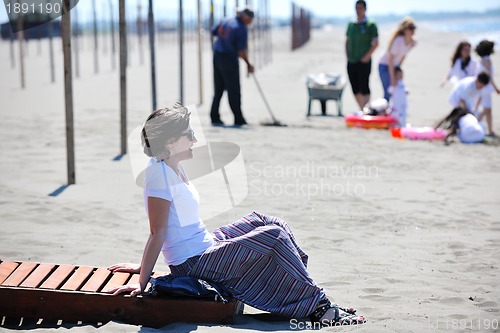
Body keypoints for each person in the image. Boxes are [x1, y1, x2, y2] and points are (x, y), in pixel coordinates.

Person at [106, 103, 366, 327]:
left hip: (205, 244)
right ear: (172, 143)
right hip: (193, 261)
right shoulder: (159, 175)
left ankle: (310, 294)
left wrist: (143, 266)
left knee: (268, 222)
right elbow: (157, 231)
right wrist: (142, 280)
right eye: (189, 134)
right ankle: (320, 307)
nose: (195, 139)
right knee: (272, 237)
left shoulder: (174, 166)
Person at [209, 7, 255, 127]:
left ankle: (214, 116)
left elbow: (213, 32)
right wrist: (248, 64)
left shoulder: (225, 20)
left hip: (217, 56)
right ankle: (238, 118)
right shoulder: (240, 28)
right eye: (250, 19)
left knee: (218, 89)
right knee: (234, 90)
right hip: (229, 59)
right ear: (245, 17)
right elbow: (241, 51)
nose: (251, 22)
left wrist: (222, 41)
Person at [345, 0, 379, 109]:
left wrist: (367, 56)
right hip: (352, 60)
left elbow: (376, 43)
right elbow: (347, 40)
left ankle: (366, 109)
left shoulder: (370, 24)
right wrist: (347, 55)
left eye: (360, 8)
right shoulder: (351, 24)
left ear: (365, 9)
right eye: (357, 8)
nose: (358, 11)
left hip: (364, 61)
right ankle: (362, 108)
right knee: (354, 86)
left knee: (364, 85)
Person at [378, 17, 417, 102]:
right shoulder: (398, 41)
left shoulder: (412, 42)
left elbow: (403, 55)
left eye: (413, 28)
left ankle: (396, 110)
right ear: (405, 29)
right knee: (388, 90)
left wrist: (398, 69)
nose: (412, 30)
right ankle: (385, 111)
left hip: (395, 66)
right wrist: (392, 78)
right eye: (410, 28)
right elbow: (390, 59)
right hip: (385, 65)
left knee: (397, 90)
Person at [475, 40, 500, 137]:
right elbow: (489, 75)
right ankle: (489, 130)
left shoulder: (482, 60)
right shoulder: (487, 61)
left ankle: (481, 125)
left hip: (482, 86)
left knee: (485, 109)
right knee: (487, 109)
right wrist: (496, 88)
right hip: (486, 87)